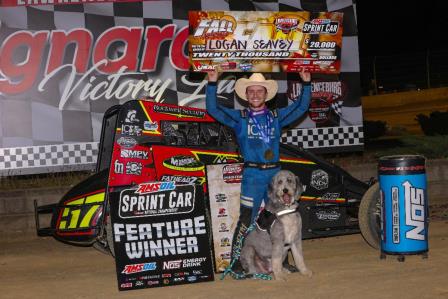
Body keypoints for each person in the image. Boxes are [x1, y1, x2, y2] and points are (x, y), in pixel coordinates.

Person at [206, 70, 311, 272]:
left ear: (266, 94)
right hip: (252, 176)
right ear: (246, 95)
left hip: (276, 176)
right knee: (247, 218)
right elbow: (213, 108)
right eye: (251, 91)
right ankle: (237, 262)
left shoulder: (276, 116)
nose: (255, 95)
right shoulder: (240, 118)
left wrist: (306, 83)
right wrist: (212, 82)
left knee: (282, 217)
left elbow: (301, 107)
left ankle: (283, 260)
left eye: (259, 91)